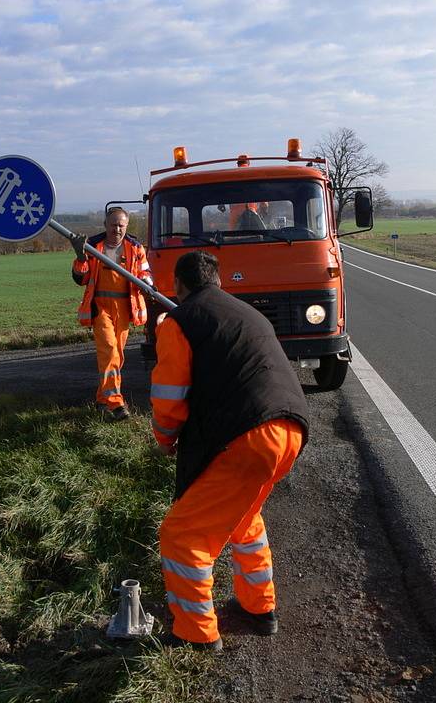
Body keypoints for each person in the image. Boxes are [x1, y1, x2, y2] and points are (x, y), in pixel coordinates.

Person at [150, 250, 309, 650]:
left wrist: (165, 440)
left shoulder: (179, 322)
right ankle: (259, 609)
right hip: (290, 428)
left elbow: (169, 398)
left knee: (182, 534)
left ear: (179, 286)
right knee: (245, 517)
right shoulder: (247, 312)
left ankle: (195, 634)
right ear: (218, 281)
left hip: (245, 436)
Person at [71, 207, 152, 422]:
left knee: (117, 355)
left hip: (125, 308)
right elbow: (81, 278)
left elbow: (145, 272)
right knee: (109, 351)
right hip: (101, 308)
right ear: (106, 225)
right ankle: (116, 403)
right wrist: (80, 255)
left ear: (126, 226)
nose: (117, 229)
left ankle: (101, 400)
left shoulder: (135, 248)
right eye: (113, 225)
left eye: (121, 225)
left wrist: (147, 282)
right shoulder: (93, 247)